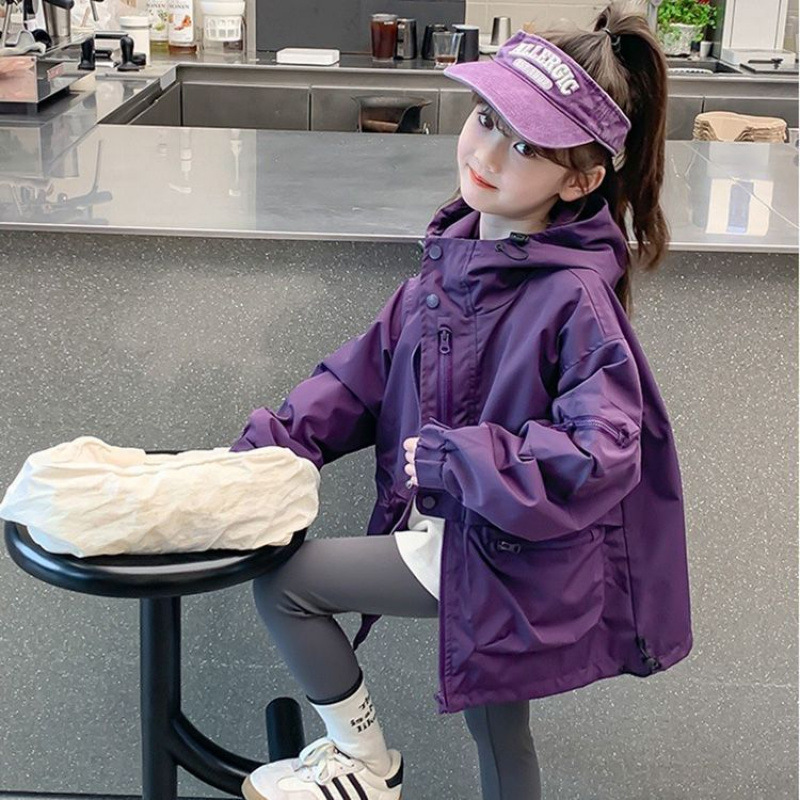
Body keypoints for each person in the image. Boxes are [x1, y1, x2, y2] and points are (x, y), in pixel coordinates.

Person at [232, 2, 693, 799]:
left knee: (289, 584)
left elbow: (604, 450)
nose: (487, 153)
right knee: (500, 731)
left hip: (504, 546)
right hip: (480, 531)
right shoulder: (457, 261)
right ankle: (366, 763)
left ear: (580, 180)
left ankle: (365, 762)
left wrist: (456, 460)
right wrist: (264, 450)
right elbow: (359, 379)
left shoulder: (573, 298)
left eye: (527, 145)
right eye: (486, 119)